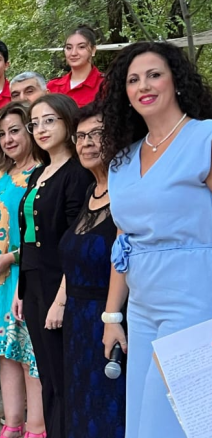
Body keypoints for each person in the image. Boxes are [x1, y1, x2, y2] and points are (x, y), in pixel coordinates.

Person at [100, 42, 212, 438]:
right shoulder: (122, 160)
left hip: (194, 298)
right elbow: (122, 242)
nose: (143, 85)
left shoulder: (205, 138)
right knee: (141, 420)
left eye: (154, 75)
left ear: (176, 81)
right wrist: (112, 316)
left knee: (171, 420)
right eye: (133, 80)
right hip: (142, 307)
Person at [15, 94, 93, 438]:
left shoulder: (77, 174)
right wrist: (20, 290)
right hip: (33, 283)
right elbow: (27, 238)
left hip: (60, 285)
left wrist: (61, 299)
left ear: (68, 121)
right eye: (35, 123)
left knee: (63, 376)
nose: (41, 129)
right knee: (46, 373)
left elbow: (74, 242)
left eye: (49, 120)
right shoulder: (38, 173)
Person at [0, 102, 45, 438]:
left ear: (30, 130)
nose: (8, 139)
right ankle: (12, 424)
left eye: (14, 130)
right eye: (2, 134)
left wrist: (8, 258)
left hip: (21, 274)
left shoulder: (41, 174)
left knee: (30, 355)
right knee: (6, 353)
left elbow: (41, 232)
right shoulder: (1, 173)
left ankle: (37, 427)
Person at [58, 103, 125, 438]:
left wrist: (113, 318)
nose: (86, 143)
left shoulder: (126, 193)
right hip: (77, 322)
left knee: (110, 408)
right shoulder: (90, 192)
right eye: (80, 136)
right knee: (80, 406)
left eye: (96, 134)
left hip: (112, 319)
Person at [47, 26, 103, 108]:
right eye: (69, 48)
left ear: (93, 50)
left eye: (81, 47)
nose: (73, 53)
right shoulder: (53, 86)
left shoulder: (105, 85)